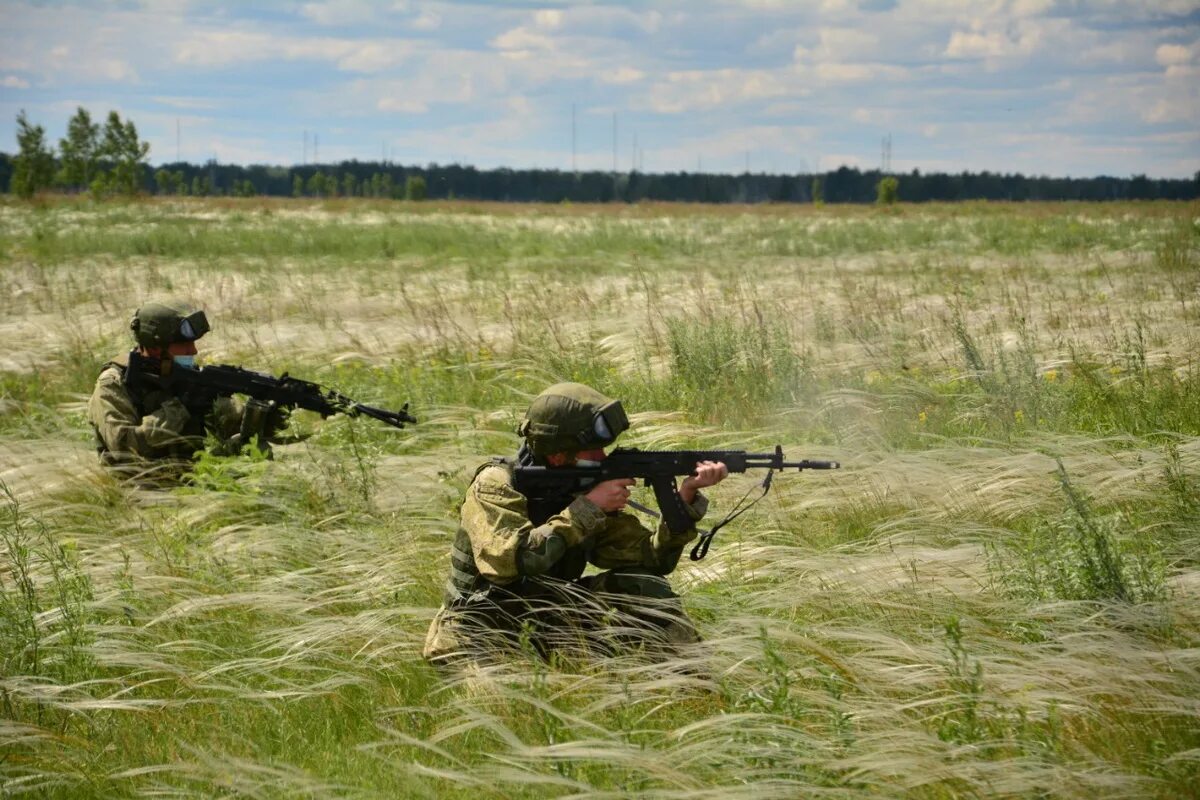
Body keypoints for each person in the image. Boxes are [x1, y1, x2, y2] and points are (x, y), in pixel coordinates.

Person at [423, 382, 728, 667]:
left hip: (546, 617)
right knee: (507, 706)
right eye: (593, 450)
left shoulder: (580, 487)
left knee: (646, 588)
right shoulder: (496, 485)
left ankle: (700, 690)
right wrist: (588, 507)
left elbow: (651, 559)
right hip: (478, 628)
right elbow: (511, 562)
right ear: (558, 455)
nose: (603, 457)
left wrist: (685, 499)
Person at [88, 300, 286, 473]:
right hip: (138, 490)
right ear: (156, 348)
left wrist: (269, 411)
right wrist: (180, 408)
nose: (193, 350)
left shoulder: (186, 377)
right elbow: (124, 449)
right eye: (183, 344)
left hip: (189, 482)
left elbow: (233, 425)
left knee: (257, 449)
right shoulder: (114, 384)